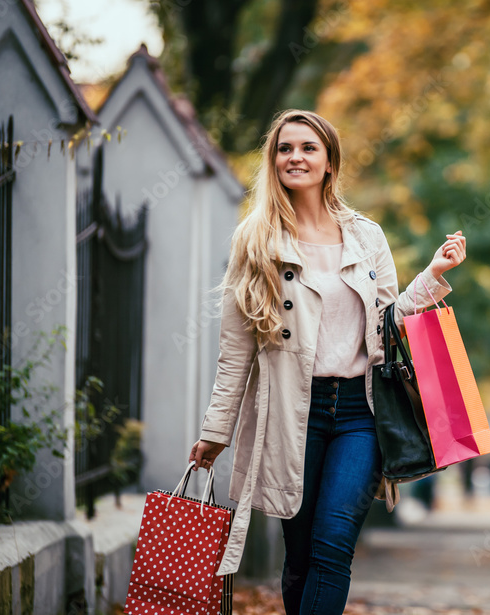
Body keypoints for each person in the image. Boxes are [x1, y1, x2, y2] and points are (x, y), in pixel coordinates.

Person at [187, 109, 466, 615]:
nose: (295, 157)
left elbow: (387, 323)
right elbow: (236, 352)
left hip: (360, 412)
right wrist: (215, 432)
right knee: (300, 559)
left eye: (308, 148)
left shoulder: (366, 237)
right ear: (273, 162)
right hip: (293, 416)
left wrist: (432, 275)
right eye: (285, 148)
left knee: (334, 543)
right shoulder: (255, 241)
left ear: (329, 162)